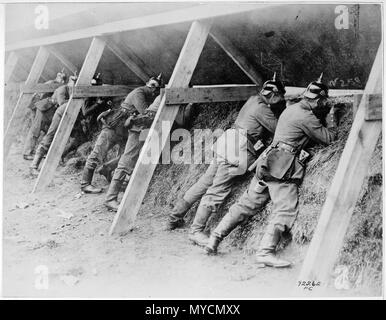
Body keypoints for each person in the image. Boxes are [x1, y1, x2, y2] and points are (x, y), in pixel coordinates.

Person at [205, 73, 339, 268]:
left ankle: (214, 238)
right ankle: (265, 252)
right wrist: (332, 119)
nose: (322, 104)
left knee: (247, 203)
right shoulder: (307, 117)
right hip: (282, 166)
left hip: (266, 161)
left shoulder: (291, 109)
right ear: (318, 100)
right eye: (322, 101)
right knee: (285, 208)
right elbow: (329, 138)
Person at [165, 74, 287, 248]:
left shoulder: (253, 99)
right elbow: (278, 129)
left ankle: (173, 218)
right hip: (236, 150)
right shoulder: (263, 109)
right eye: (280, 98)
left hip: (227, 143)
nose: (280, 101)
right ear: (273, 95)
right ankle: (195, 231)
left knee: (204, 182)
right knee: (217, 191)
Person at [80, 74, 162, 194]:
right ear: (148, 85)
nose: (154, 90)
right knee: (98, 153)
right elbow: (144, 111)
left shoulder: (145, 94)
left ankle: (107, 169)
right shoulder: (138, 92)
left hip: (124, 130)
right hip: (113, 128)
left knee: (124, 156)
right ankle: (85, 184)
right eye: (153, 87)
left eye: (156, 88)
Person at [104, 91, 163, 211]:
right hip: (140, 128)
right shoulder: (167, 94)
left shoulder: (162, 95)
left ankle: (129, 195)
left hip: (143, 126)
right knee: (126, 163)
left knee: (133, 161)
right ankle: (110, 199)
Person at [29, 74, 78, 175]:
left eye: (75, 83)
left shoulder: (72, 91)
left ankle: (55, 158)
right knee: (48, 136)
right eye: (72, 83)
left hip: (60, 114)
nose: (73, 85)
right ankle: (33, 166)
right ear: (69, 82)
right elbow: (61, 103)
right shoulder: (62, 89)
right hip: (49, 112)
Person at [23, 70, 67, 160]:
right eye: (61, 78)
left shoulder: (58, 85)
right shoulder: (51, 83)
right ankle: (27, 153)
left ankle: (38, 151)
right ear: (58, 77)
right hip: (41, 107)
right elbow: (38, 96)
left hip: (46, 109)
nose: (62, 81)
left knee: (46, 130)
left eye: (63, 79)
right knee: (35, 130)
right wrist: (36, 109)